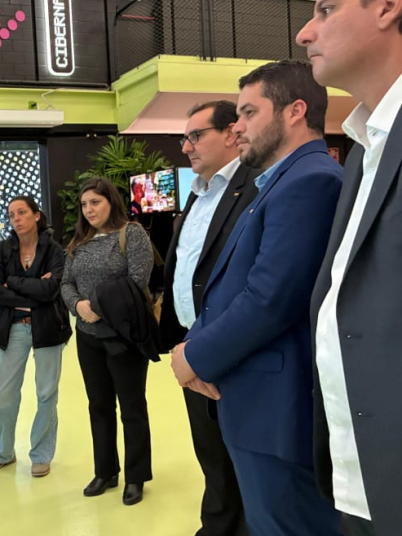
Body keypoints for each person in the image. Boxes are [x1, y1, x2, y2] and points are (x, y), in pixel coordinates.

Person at [169, 60, 342, 536]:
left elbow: (270, 298)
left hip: (276, 408)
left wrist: (195, 356)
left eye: (248, 113)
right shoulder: (280, 182)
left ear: (294, 111)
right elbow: (230, 284)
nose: (238, 127)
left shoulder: (310, 181)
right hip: (253, 399)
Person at [297, 3, 402, 535]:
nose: (304, 32)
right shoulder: (364, 144)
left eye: (326, 8)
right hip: (358, 473)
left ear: (386, 7)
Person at [160, 100, 258, 536]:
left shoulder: (256, 189)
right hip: (190, 343)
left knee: (244, 456)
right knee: (211, 453)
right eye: (185, 138)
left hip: (231, 346)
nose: (186, 147)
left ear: (231, 134)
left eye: (196, 136)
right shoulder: (198, 192)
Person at [60, 177, 154, 505]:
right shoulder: (79, 242)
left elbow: (137, 280)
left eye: (95, 202)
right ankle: (105, 471)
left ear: (111, 202)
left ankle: (136, 476)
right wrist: (78, 306)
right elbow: (66, 282)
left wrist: (96, 306)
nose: (89, 210)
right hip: (88, 336)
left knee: (131, 406)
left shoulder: (132, 234)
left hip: (124, 335)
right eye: (84, 204)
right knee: (98, 405)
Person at [0, 196, 71, 478]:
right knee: (2, 394)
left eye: (22, 212)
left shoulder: (54, 250)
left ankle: (41, 454)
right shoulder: (2, 250)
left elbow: (52, 290)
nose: (16, 218)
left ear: (36, 215)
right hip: (13, 327)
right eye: (11, 215)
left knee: (46, 393)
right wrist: (36, 293)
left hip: (49, 327)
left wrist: (14, 283)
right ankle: (2, 451)